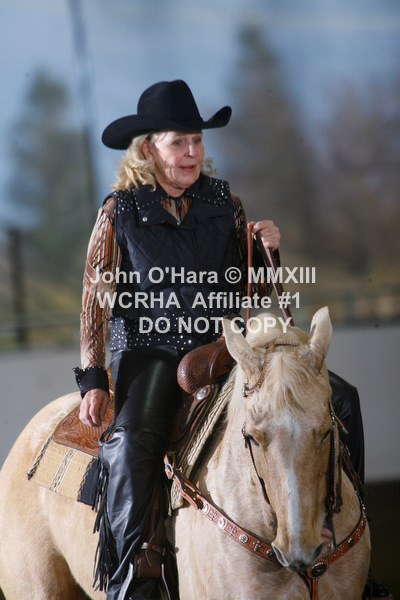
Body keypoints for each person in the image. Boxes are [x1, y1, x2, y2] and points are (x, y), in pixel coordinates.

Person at [74, 80, 380, 600]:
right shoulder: (118, 211)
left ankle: (345, 542)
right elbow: (94, 301)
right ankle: (131, 575)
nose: (192, 152)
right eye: (178, 142)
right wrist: (94, 379)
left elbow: (247, 289)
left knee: (343, 400)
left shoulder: (225, 202)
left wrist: (267, 253)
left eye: (196, 140)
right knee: (132, 442)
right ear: (148, 149)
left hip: (222, 348)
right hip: (148, 350)